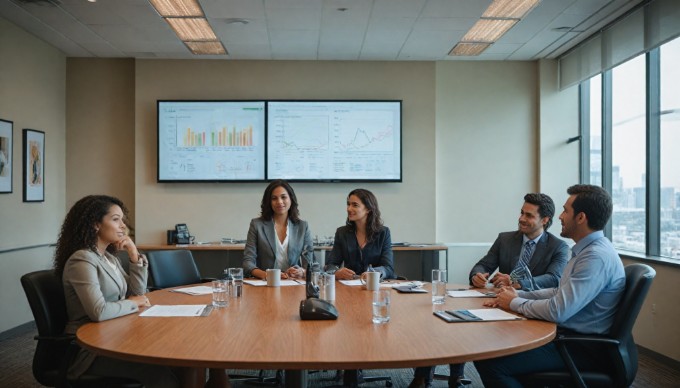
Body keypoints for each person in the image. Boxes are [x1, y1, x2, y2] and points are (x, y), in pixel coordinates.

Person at [410, 193, 569, 388]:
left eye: (529, 215)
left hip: (530, 310)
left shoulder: (558, 246)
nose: (521, 218)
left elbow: (554, 278)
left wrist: (516, 281)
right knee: (446, 318)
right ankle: (425, 377)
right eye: (521, 213)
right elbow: (482, 265)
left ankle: (455, 376)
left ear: (545, 220)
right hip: (496, 303)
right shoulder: (505, 239)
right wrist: (477, 276)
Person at [473, 184, 626, 387]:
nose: (560, 217)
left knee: (490, 361)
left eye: (565, 210)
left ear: (581, 218)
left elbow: (558, 310)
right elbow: (558, 291)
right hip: (571, 337)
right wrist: (515, 296)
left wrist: (514, 302)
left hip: (580, 347)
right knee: (495, 347)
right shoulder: (588, 251)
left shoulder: (595, 257)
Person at [54, 195, 180, 388]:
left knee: (178, 360)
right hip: (91, 349)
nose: (123, 226)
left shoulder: (109, 259)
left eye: (122, 219)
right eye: (115, 219)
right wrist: (134, 303)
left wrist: (133, 254)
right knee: (158, 369)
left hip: (116, 334)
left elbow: (138, 292)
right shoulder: (82, 259)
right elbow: (99, 312)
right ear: (96, 224)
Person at [243, 179, 314, 280]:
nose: (279, 202)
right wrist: (267, 275)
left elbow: (312, 264)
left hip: (293, 283)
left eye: (283, 197)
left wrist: (302, 272)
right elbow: (247, 263)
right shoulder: (257, 225)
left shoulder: (302, 226)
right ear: (269, 202)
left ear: (291, 199)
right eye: (274, 198)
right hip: (266, 283)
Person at [325, 188, 395, 280]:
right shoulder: (342, 233)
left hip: (376, 285)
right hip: (350, 286)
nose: (349, 209)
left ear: (368, 209)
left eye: (355, 205)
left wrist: (374, 273)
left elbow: (388, 268)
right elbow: (331, 265)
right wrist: (337, 272)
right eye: (348, 204)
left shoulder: (383, 233)